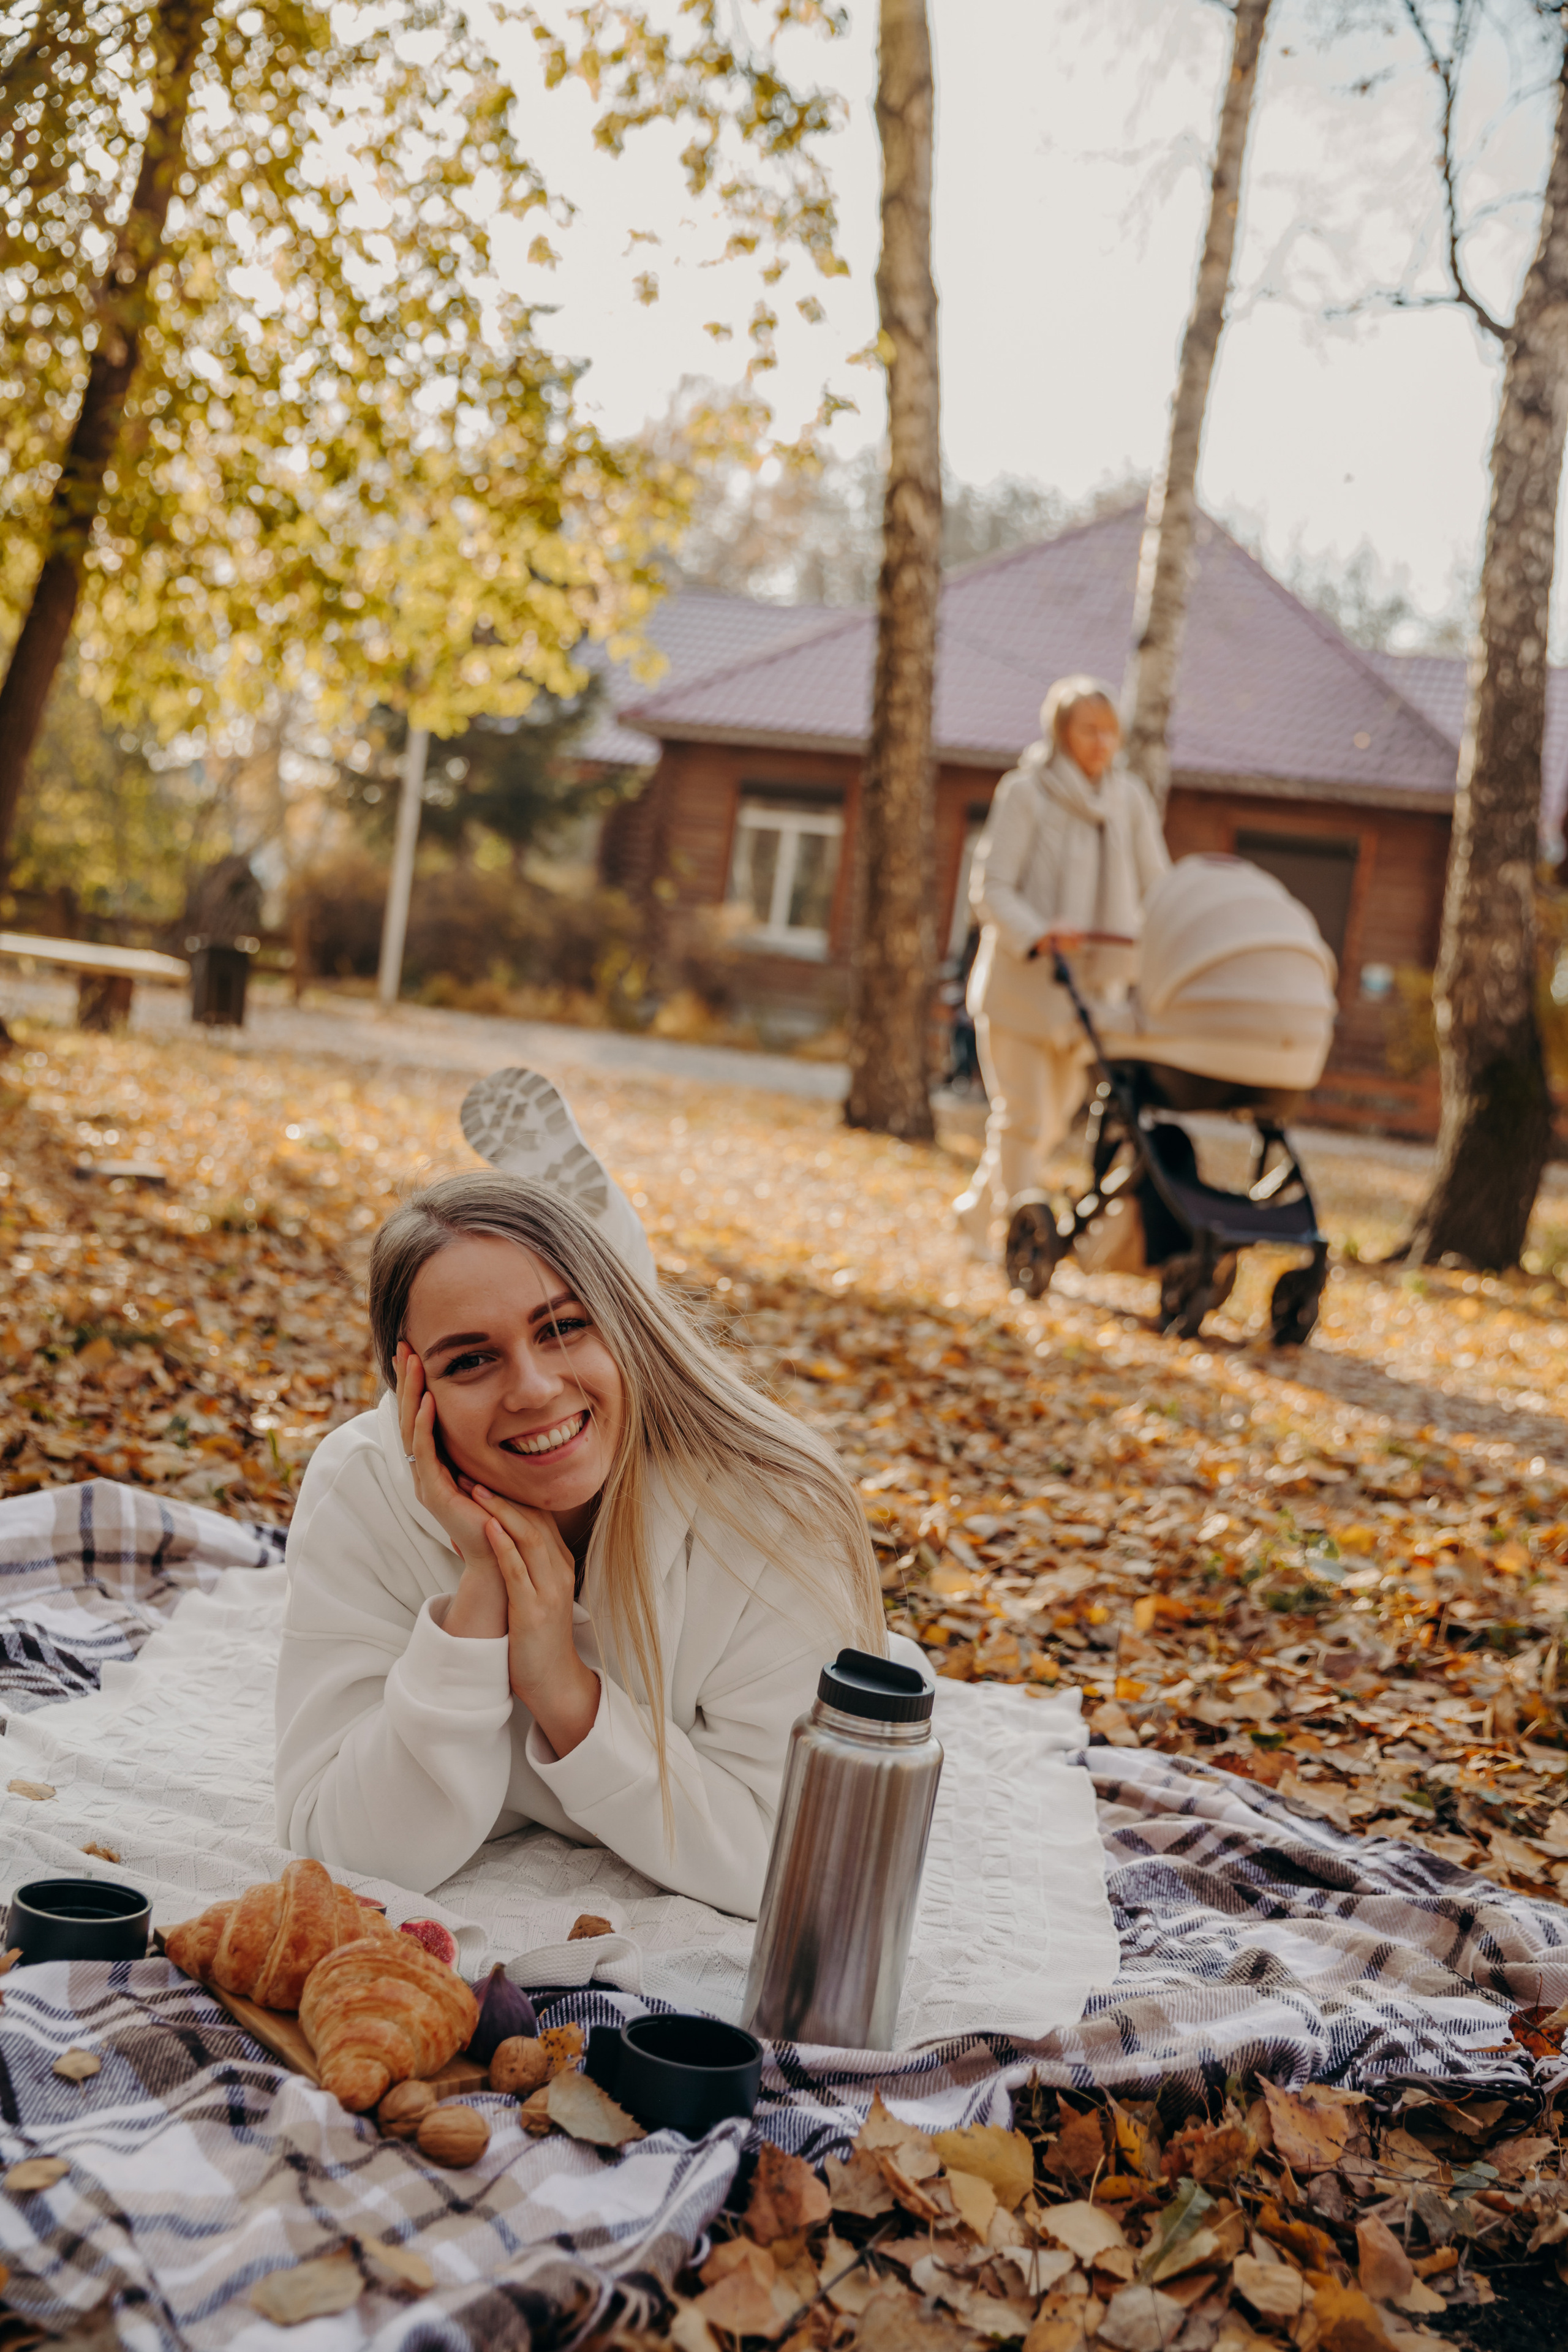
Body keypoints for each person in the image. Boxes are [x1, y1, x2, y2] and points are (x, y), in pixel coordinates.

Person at [274, 1071, 905, 1917]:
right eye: (471, 1359)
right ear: (410, 1392)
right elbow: (343, 1852)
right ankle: (594, 1275)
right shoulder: (361, 1485)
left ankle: (614, 1270)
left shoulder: (769, 1507)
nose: (533, 1389)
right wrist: (480, 1600)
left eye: (563, 1327)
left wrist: (566, 1695)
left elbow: (794, 1867)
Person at [952, 677, 1169, 1257]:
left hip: (1094, 991)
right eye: (1088, 730)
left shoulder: (1131, 800)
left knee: (1048, 1125)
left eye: (1110, 730)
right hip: (1021, 987)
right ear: (1061, 732)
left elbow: (1158, 885)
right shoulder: (1027, 792)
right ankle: (1020, 1241)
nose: (1101, 742)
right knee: (1021, 1117)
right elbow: (991, 887)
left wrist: (1172, 933)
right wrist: (1039, 931)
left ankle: (976, 1210)